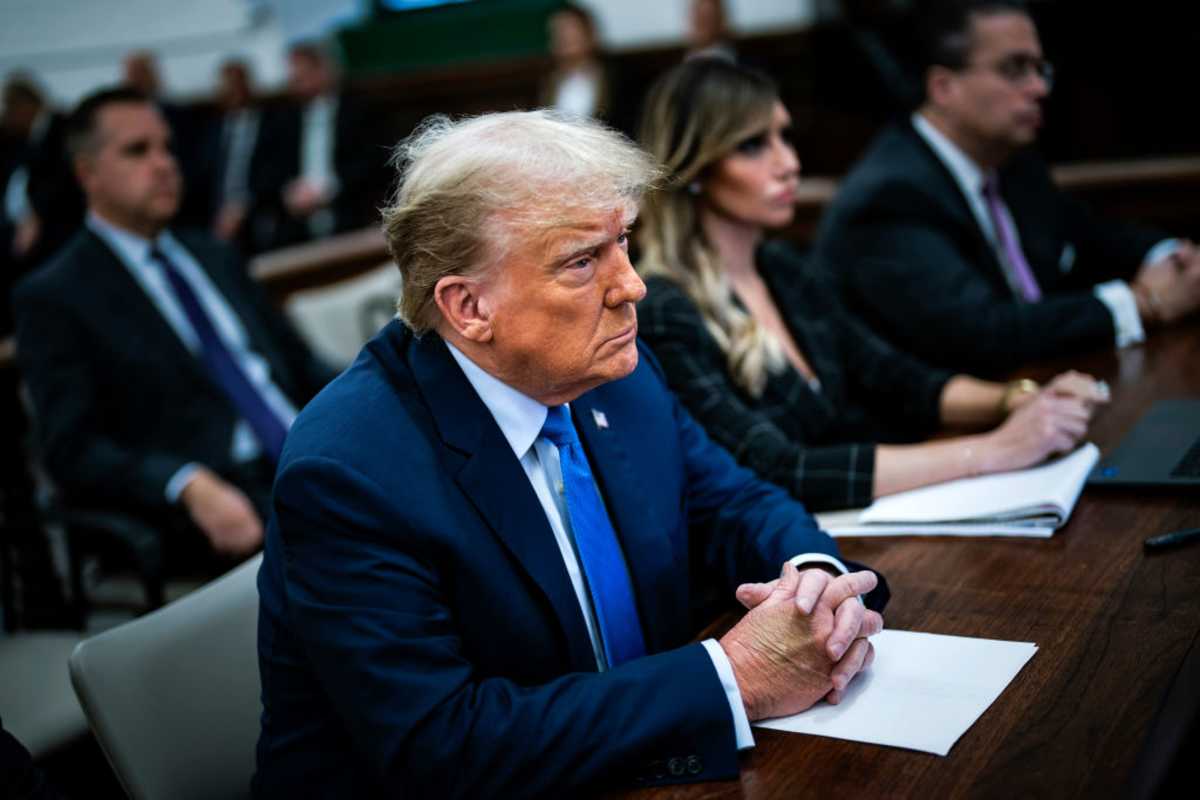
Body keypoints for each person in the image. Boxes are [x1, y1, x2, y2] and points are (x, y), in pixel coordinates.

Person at [254, 109, 889, 797]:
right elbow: (442, 745)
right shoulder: (349, 471)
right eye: (582, 262)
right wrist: (732, 677)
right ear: (468, 307)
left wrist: (817, 583)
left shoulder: (614, 374)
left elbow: (734, 502)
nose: (632, 286)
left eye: (623, 242)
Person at [636, 58, 1104, 512]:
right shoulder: (663, 308)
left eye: (785, 137)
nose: (789, 163)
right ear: (695, 170)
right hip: (789, 563)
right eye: (753, 145)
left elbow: (895, 379)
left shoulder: (782, 269)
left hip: (871, 520)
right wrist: (992, 451)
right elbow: (778, 469)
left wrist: (1022, 399)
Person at [13, 87, 334, 561]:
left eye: (167, 147)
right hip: (221, 489)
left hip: (313, 451)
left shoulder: (213, 254)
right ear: (87, 173)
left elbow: (298, 363)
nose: (164, 164)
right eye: (137, 151)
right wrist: (182, 481)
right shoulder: (56, 294)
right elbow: (72, 449)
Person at [815, 0, 1200, 374]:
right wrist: (1143, 303)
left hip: (1047, 388)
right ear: (943, 86)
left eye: (1040, 69)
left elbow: (1094, 236)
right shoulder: (889, 196)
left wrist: (1177, 261)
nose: (1039, 89)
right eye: (1015, 69)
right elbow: (982, 333)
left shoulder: (1012, 162)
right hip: (944, 423)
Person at [247, 42, 375, 252]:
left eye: (301, 74)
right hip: (294, 226)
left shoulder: (358, 111)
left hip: (349, 214)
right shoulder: (282, 120)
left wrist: (329, 189)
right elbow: (262, 173)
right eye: (293, 76)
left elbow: (372, 162)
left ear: (323, 71)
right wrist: (288, 193)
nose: (294, 81)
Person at [538, 3, 612, 122]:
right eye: (556, 32)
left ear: (590, 33)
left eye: (569, 30)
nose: (563, 37)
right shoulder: (549, 83)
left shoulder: (613, 78)